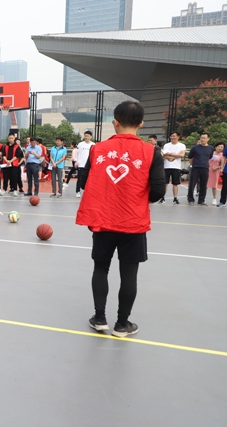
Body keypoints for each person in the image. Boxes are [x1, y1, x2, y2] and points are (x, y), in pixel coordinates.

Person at [76, 101, 165, 337]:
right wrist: (138, 199)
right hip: (133, 221)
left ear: (115, 122)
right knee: (129, 274)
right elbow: (158, 189)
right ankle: (122, 324)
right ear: (141, 124)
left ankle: (99, 318)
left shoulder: (98, 149)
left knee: (100, 268)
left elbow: (83, 181)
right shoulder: (151, 151)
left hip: (103, 219)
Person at [187, 132, 214, 206]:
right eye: (201, 138)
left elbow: (210, 157)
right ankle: (190, 199)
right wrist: (192, 165)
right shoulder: (195, 148)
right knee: (192, 184)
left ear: (208, 139)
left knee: (203, 184)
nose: (202, 139)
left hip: (205, 168)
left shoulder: (211, 148)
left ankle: (201, 200)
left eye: (204, 138)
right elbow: (190, 157)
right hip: (195, 168)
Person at [160, 131, 186, 205]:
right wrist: (171, 157)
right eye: (171, 136)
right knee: (165, 183)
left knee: (175, 183)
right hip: (166, 166)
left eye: (174, 136)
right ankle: (162, 198)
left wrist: (170, 154)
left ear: (178, 137)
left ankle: (175, 198)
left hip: (176, 167)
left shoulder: (182, 145)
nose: (172, 137)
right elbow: (163, 155)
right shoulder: (166, 145)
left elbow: (182, 155)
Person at [76, 131, 95, 197]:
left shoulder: (93, 145)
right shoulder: (80, 144)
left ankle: (87, 191)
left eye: (88, 136)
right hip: (81, 164)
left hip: (89, 165)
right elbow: (77, 153)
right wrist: (76, 161)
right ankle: (78, 191)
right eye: (85, 136)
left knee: (89, 179)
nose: (86, 137)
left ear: (91, 137)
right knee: (79, 178)